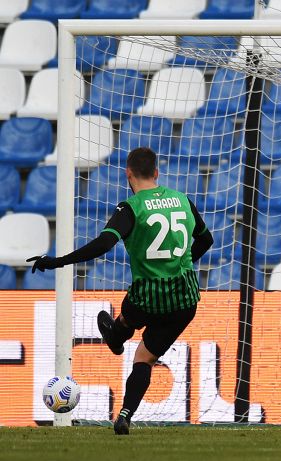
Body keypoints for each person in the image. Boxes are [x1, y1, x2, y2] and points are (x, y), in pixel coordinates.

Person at [28, 147, 213, 435]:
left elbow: (103, 245)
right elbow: (206, 239)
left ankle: (117, 334)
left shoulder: (130, 207)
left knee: (130, 314)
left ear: (128, 174)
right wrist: (181, 264)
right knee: (145, 359)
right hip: (185, 297)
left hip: (147, 296)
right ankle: (125, 414)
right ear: (156, 173)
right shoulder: (183, 201)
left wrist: (58, 261)